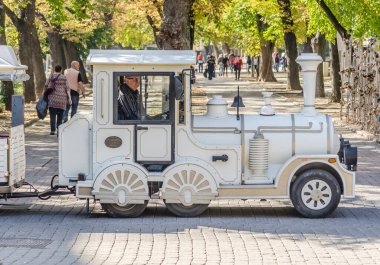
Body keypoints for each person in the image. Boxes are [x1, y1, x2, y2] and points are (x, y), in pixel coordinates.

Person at [44, 65, 72, 135]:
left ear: (54, 69)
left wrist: (44, 94)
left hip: (52, 99)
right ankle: (59, 130)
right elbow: (67, 89)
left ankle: (52, 130)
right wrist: (70, 98)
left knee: (52, 115)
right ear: (61, 70)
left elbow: (46, 85)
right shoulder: (64, 77)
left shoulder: (51, 76)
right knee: (60, 116)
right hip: (62, 99)